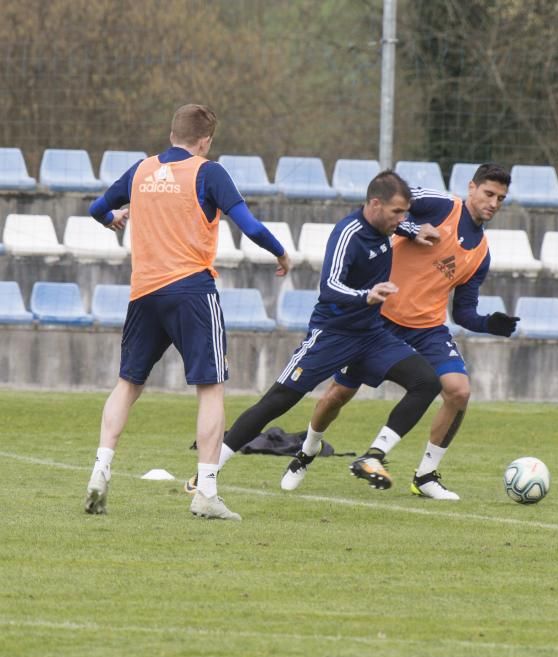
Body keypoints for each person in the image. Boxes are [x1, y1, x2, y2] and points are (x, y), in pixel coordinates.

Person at [84, 103, 291, 520]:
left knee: (128, 383)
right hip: (192, 291)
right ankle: (207, 493)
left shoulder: (140, 171)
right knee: (211, 387)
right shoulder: (208, 172)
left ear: (172, 132)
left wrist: (113, 217)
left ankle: (99, 472)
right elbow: (249, 226)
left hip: (144, 292)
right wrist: (281, 252)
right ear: (206, 141)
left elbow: (96, 208)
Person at [187, 170, 443, 497]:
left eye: (405, 213)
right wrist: (366, 295)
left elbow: (399, 226)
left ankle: (372, 455)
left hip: (371, 335)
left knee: (426, 381)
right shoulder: (347, 233)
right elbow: (330, 286)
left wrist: (413, 229)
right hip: (332, 335)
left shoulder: (388, 226)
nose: (402, 219)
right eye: (397, 212)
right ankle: (207, 473)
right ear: (375, 204)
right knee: (278, 401)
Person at [280, 163, 519, 500]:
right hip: (378, 320)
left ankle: (423, 475)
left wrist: (487, 323)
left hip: (428, 328)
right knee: (338, 395)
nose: (493, 203)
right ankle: (306, 451)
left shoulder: (481, 254)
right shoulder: (440, 205)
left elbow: (463, 312)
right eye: (489, 193)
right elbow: (392, 208)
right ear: (472, 188)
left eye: (501, 198)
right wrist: (411, 230)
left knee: (458, 391)